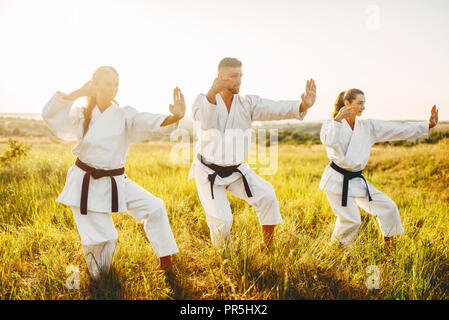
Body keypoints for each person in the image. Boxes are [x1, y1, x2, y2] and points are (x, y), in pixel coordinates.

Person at [42, 66, 185, 278]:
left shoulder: (124, 114)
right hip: (86, 182)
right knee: (106, 238)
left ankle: (166, 263)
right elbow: (52, 117)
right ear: (95, 84)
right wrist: (77, 94)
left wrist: (174, 117)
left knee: (155, 207)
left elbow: (147, 121)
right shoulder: (82, 114)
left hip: (116, 180)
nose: (113, 89)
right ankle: (101, 279)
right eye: (108, 83)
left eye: (116, 84)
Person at [189, 57, 316, 251]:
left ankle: (268, 247)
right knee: (222, 221)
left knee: (267, 195)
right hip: (209, 173)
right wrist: (212, 93)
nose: (238, 80)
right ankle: (226, 259)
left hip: (236, 169)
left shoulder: (247, 103)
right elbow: (205, 123)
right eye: (233, 76)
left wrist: (302, 106)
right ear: (219, 78)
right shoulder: (203, 100)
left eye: (240, 75)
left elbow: (274, 108)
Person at [319, 88, 439, 249]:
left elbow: (397, 129)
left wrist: (427, 125)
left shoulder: (367, 126)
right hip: (336, 181)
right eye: (359, 103)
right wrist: (338, 120)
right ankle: (335, 253)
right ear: (347, 103)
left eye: (364, 103)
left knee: (388, 207)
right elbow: (330, 142)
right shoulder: (331, 125)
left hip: (356, 179)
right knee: (351, 220)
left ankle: (389, 249)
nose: (363, 107)